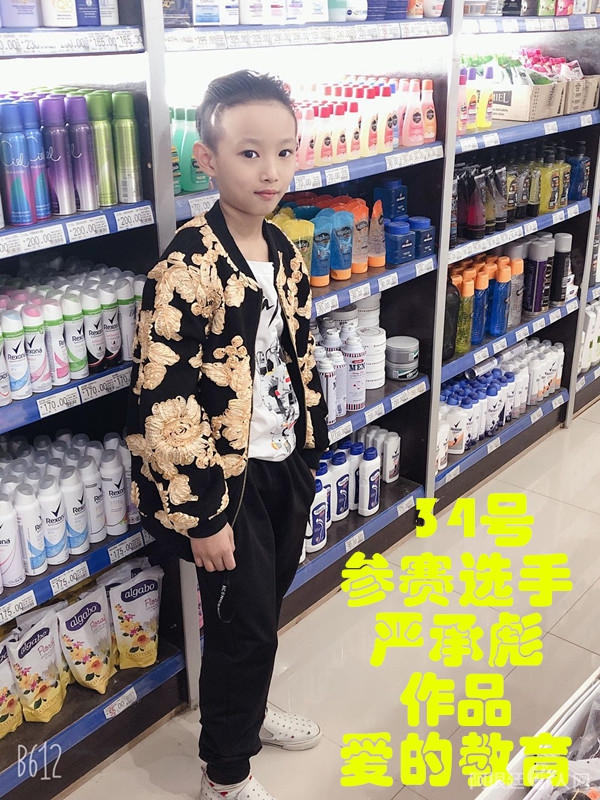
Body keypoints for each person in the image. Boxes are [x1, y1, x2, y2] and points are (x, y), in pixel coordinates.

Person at [126, 70, 329, 800]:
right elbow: (164, 403)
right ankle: (226, 773)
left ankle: (245, 710)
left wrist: (313, 441)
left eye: (284, 151)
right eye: (249, 153)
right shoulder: (186, 267)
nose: (271, 170)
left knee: (263, 610)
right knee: (242, 623)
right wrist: (205, 515)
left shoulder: (282, 249)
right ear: (207, 160)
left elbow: (298, 352)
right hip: (225, 482)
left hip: (285, 459)